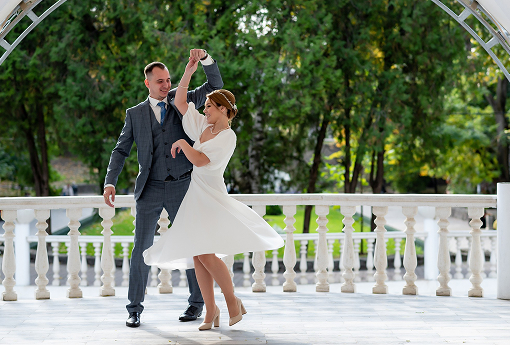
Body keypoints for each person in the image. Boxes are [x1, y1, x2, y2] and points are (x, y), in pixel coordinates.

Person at [143, 56, 284, 331]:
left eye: (208, 106)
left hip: (211, 196)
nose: (204, 110)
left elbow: (201, 161)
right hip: (195, 194)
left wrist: (183, 142)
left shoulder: (227, 137)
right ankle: (211, 311)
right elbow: (181, 102)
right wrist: (188, 71)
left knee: (206, 254)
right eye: (205, 106)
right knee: (197, 253)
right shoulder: (204, 127)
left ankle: (231, 301)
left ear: (222, 109)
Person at [103, 49, 223, 328]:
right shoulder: (134, 115)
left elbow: (216, 87)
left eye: (168, 79)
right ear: (147, 83)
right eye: (160, 81)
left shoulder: (183, 100)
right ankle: (134, 309)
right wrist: (111, 181)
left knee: (194, 245)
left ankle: (196, 304)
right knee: (140, 248)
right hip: (150, 188)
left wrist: (205, 60)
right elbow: (120, 151)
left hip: (183, 186)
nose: (166, 85)